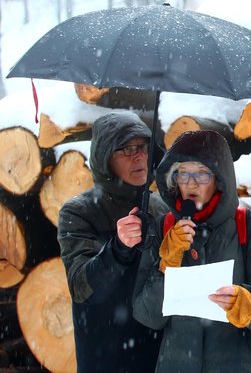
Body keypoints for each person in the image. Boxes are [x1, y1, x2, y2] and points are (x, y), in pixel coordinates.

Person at [133, 130, 251, 372]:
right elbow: (147, 316)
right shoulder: (164, 227)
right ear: (173, 180)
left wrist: (247, 304)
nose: (191, 183)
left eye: (202, 174)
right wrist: (166, 266)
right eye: (183, 173)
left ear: (219, 179)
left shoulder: (250, 224)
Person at [58, 111, 168, 372]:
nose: (139, 156)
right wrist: (118, 249)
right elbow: (83, 287)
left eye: (142, 146)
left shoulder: (162, 207)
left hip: (160, 353)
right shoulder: (79, 212)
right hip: (106, 354)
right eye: (125, 149)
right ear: (104, 158)